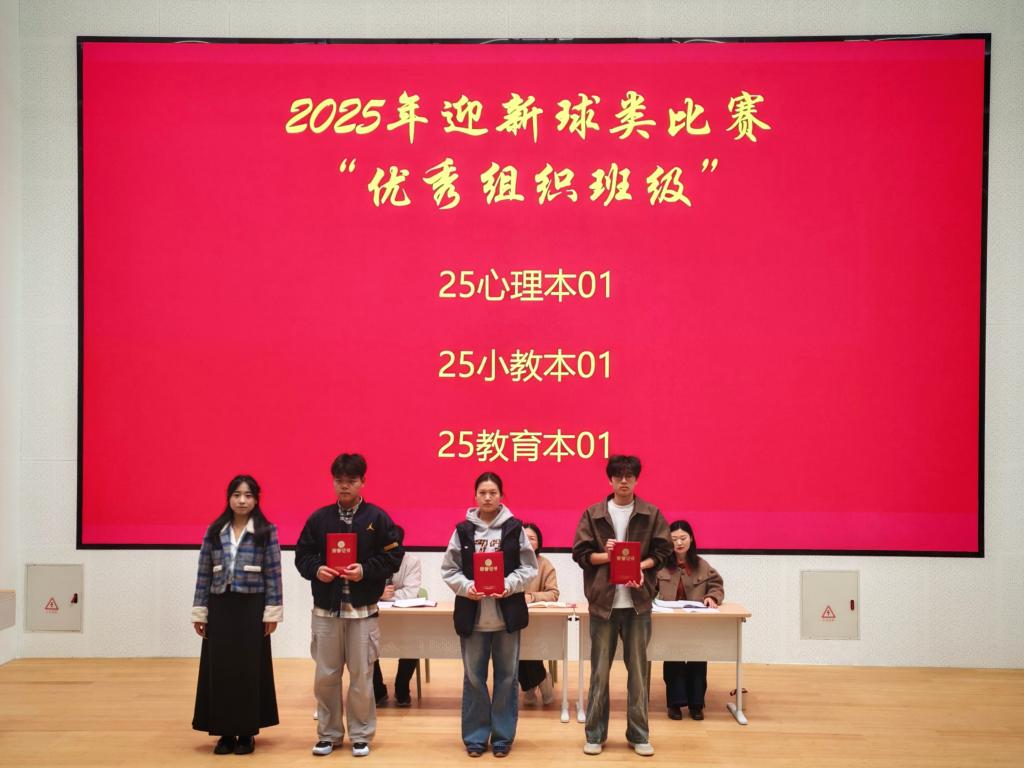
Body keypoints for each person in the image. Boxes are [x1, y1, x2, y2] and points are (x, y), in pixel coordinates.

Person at [294, 453, 404, 758]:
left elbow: (394, 555)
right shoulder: (319, 519)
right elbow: (301, 556)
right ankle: (328, 734)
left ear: (362, 482)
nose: (344, 486)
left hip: (362, 612)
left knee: (361, 676)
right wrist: (317, 569)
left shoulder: (377, 518)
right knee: (326, 676)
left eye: (351, 481)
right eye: (339, 481)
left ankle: (360, 735)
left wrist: (365, 570)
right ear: (333, 482)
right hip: (326, 612)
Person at [572, 455, 671, 758]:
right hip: (604, 605)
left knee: (639, 673)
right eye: (618, 476)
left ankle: (639, 734)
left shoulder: (651, 514)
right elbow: (580, 554)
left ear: (637, 479)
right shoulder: (594, 514)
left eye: (629, 476)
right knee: (599, 673)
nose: (624, 481)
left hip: (637, 604)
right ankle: (594, 734)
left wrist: (641, 565)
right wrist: (607, 554)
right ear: (610, 479)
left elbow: (663, 551)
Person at [442, 472, 538, 758]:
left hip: (506, 618)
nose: (487, 497)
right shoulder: (462, 531)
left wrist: (508, 585)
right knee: (474, 678)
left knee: (507, 679)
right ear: (475, 496)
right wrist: (466, 587)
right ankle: (475, 737)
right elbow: (449, 569)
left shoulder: (514, 528)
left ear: (501, 496)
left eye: (492, 492)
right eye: (482, 492)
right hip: (473, 618)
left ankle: (502, 737)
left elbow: (529, 568)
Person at [191, 474, 282, 755]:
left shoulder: (266, 530)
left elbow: (274, 574)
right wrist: (200, 612)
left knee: (248, 669)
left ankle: (246, 733)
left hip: (252, 606)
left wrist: (272, 612)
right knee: (221, 669)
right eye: (236, 495)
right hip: (220, 605)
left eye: (248, 495)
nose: (242, 500)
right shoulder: (214, 530)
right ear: (229, 498)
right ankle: (225, 733)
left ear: (256, 499)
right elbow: (204, 572)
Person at [657, 520, 724, 721]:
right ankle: (675, 704)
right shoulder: (661, 565)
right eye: (674, 539)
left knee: (697, 659)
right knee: (673, 659)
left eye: (683, 538)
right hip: (670, 623)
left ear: (691, 539)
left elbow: (716, 586)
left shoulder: (702, 565)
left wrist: (712, 597)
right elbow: (649, 589)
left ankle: (696, 704)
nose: (679, 543)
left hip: (696, 623)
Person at [373, 525, 422, 707]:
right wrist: (377, 593)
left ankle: (402, 688)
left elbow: (411, 593)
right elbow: (361, 589)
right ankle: (377, 690)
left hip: (404, 616)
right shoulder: (370, 559)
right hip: (373, 615)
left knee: (414, 642)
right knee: (364, 645)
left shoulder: (412, 561)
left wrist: (386, 596)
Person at [518, 522, 559, 706]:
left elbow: (554, 593)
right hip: (514, 619)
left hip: (538, 622)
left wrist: (531, 597)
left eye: (532, 538)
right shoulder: (509, 562)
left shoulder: (544, 564)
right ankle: (541, 680)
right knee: (517, 646)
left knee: (527, 645)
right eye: (524, 538)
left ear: (539, 543)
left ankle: (530, 686)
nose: (528, 541)